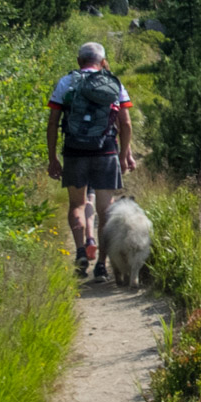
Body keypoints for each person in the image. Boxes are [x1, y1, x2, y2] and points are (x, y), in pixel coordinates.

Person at [47, 41, 135, 280]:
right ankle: (102, 267)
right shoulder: (114, 84)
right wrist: (124, 154)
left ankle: (79, 252)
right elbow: (125, 123)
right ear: (103, 62)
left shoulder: (66, 83)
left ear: (79, 61)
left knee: (77, 205)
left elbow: (53, 122)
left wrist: (52, 157)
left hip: (74, 151)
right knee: (105, 210)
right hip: (105, 151)